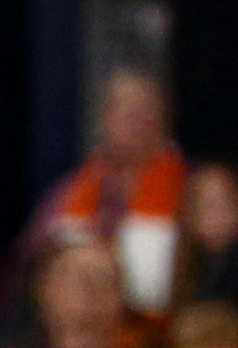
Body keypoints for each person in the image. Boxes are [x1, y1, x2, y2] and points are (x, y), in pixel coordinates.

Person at [30, 70, 190, 315]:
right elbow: (36, 259)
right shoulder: (71, 191)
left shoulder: (190, 189)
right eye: (128, 113)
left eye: (148, 113)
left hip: (166, 320)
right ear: (105, 120)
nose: (138, 123)